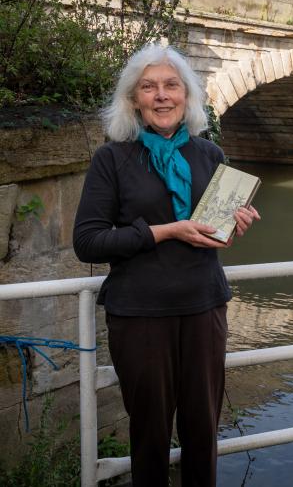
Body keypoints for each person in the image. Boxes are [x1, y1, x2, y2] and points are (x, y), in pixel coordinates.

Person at [73, 43, 259, 487]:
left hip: (204, 305)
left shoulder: (207, 154)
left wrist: (233, 227)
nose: (161, 95)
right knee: (150, 434)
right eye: (149, 87)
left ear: (187, 96)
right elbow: (88, 241)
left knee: (202, 430)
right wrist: (164, 230)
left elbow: (211, 235)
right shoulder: (112, 159)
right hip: (140, 313)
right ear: (133, 99)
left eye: (171, 85)